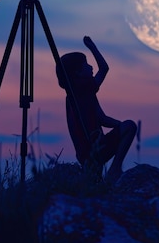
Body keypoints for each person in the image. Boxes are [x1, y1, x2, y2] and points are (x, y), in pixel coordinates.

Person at [56, 36, 137, 183]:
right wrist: (92, 47)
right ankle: (114, 169)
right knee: (130, 126)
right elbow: (104, 69)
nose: (90, 67)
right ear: (77, 73)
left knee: (95, 183)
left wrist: (118, 125)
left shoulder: (76, 93)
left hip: (86, 152)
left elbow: (102, 118)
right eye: (86, 65)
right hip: (94, 149)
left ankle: (106, 175)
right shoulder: (83, 89)